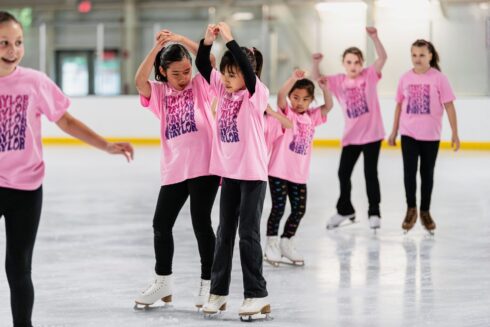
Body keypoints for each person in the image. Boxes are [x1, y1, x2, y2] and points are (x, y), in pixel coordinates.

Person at [0, 11, 134, 327]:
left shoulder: (35, 82)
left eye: (18, 42)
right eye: (3, 42)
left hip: (25, 189)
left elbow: (67, 121)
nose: (12, 50)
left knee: (18, 268)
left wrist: (107, 145)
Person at [133, 29, 220, 309]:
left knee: (200, 223)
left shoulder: (200, 85)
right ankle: (163, 283)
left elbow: (212, 60)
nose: (183, 78)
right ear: (163, 72)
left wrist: (181, 40)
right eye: (176, 74)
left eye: (186, 71)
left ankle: (210, 283)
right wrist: (156, 48)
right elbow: (138, 81)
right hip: (174, 169)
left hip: (205, 166)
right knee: (161, 224)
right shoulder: (159, 94)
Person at [195, 22, 271, 319]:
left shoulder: (256, 94)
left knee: (247, 235)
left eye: (232, 74)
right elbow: (203, 65)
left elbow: (249, 74)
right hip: (230, 175)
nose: (226, 80)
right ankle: (218, 291)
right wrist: (208, 40)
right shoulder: (223, 92)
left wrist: (230, 40)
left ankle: (257, 295)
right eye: (224, 74)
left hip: (252, 175)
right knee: (224, 232)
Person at [312, 26, 388, 230]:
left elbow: (382, 58)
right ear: (343, 64)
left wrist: (374, 37)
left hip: (372, 135)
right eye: (349, 62)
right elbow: (317, 78)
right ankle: (345, 209)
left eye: (356, 62)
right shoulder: (338, 81)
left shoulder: (370, 75)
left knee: (370, 173)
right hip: (352, 136)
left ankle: (374, 211)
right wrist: (315, 63)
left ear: (362, 63)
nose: (353, 66)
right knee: (343, 173)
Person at [388, 39, 459, 234]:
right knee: (409, 173)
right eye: (414, 55)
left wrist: (454, 132)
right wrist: (394, 131)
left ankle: (425, 211)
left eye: (421, 55)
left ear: (430, 56)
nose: (417, 59)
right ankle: (411, 210)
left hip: (431, 136)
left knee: (427, 174)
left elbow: (449, 106)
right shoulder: (405, 78)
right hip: (408, 134)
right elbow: (399, 106)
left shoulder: (439, 78)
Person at [264, 69, 332, 267]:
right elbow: (282, 95)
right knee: (278, 208)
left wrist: (325, 88)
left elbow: (328, 106)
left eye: (304, 99)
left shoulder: (312, 117)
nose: (299, 102)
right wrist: (292, 78)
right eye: (296, 97)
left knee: (299, 210)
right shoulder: (287, 112)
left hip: (298, 174)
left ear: (311, 100)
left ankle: (287, 241)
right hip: (278, 170)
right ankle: (271, 244)